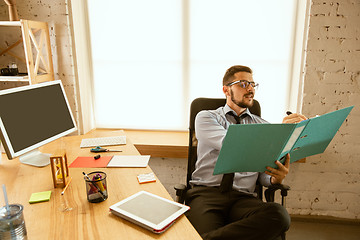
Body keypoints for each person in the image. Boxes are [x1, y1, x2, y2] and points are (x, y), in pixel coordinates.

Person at [185, 65, 307, 240]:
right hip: (207, 194)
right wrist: (278, 134)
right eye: (243, 83)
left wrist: (274, 178)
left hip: (243, 198)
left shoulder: (263, 126)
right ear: (226, 89)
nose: (250, 88)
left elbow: (263, 172)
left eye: (252, 84)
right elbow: (231, 144)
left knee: (279, 216)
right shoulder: (206, 117)